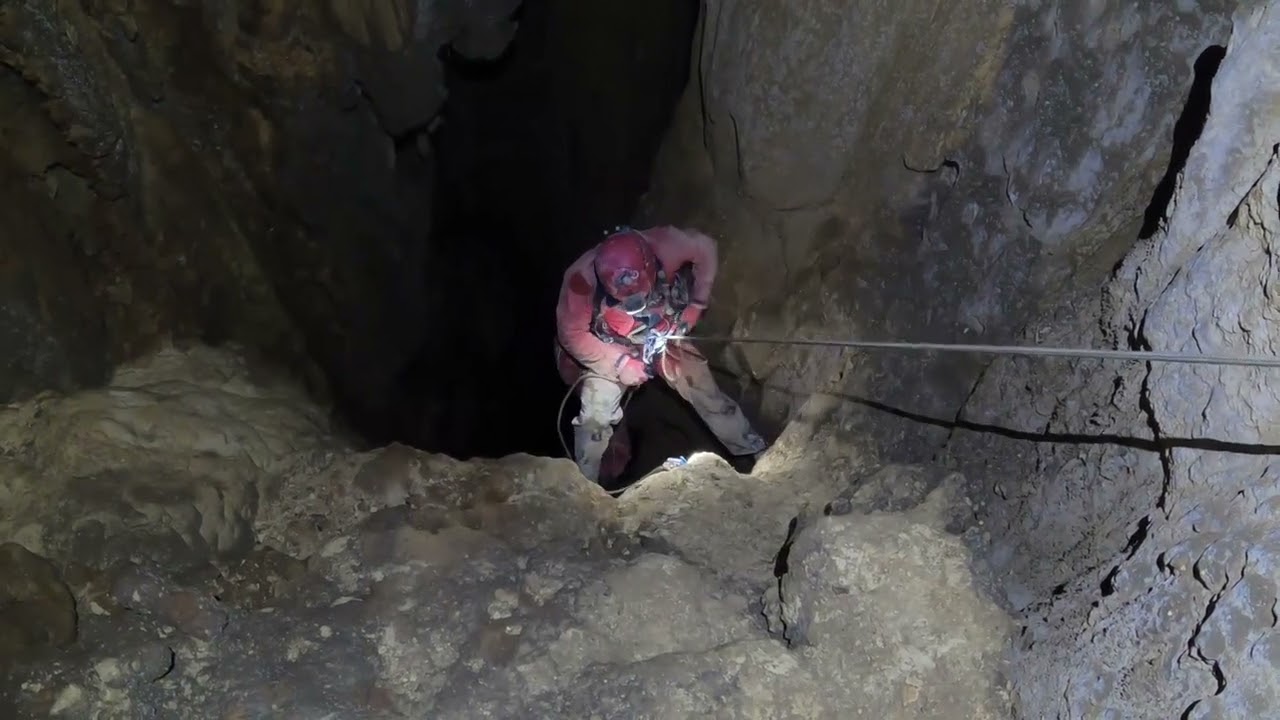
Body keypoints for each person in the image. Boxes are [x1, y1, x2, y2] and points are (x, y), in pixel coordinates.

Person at [554, 224, 767, 483]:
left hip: (660, 332)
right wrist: (620, 363)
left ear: (650, 267)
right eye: (625, 299)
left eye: (639, 294)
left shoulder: (665, 245)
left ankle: (754, 450)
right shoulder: (581, 281)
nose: (633, 302)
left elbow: (705, 247)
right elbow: (572, 335)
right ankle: (587, 487)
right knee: (595, 417)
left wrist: (697, 304)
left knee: (703, 389)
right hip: (607, 346)